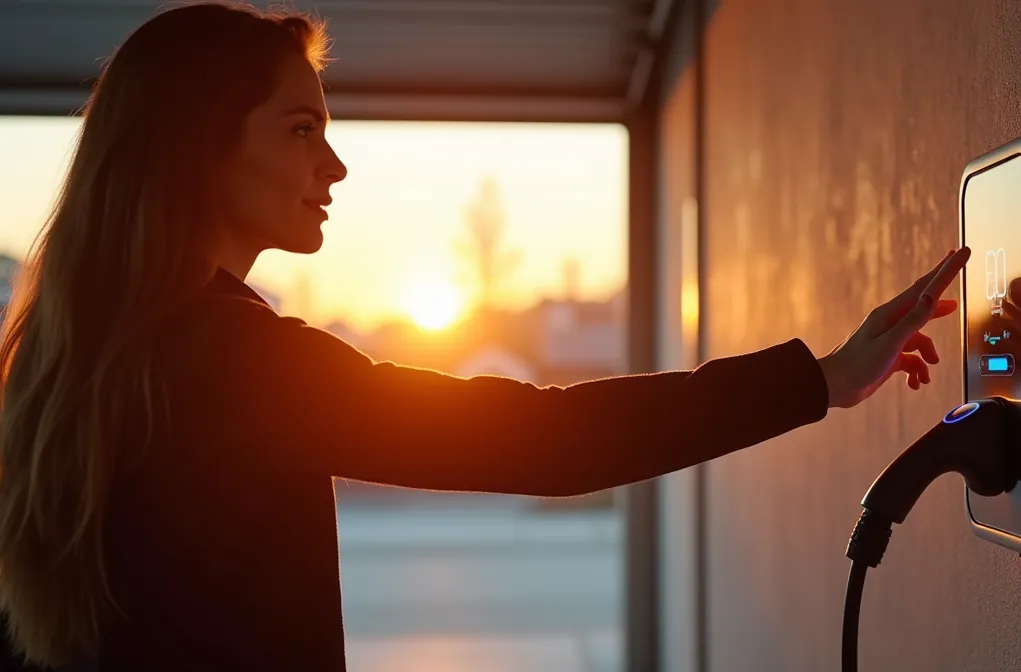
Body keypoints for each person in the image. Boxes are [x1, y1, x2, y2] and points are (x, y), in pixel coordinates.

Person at [0, 3, 971, 670]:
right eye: (300, 129)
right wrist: (821, 378)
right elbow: (540, 440)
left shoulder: (53, 365)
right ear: (195, 150)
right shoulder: (233, 363)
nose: (335, 165)